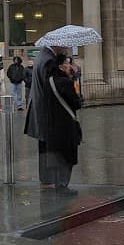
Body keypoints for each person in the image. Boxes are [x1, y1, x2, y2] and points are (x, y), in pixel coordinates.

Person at [43, 54, 82, 195]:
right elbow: (77, 103)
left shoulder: (49, 81)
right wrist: (73, 81)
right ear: (61, 66)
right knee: (67, 156)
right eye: (67, 63)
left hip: (52, 124)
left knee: (57, 156)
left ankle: (58, 183)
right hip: (66, 125)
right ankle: (63, 186)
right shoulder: (66, 83)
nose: (69, 65)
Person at [24, 43, 62, 188]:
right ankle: (50, 178)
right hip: (46, 108)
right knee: (49, 145)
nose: (65, 48)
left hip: (39, 106)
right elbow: (51, 86)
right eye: (63, 46)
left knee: (44, 143)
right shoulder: (48, 59)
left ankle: (46, 178)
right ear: (56, 44)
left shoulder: (42, 55)